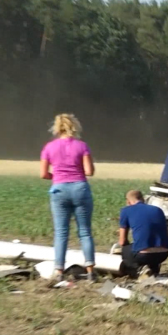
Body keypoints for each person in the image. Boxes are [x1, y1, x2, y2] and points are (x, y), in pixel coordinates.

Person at [40, 113, 96, 281]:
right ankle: (91, 270)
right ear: (74, 127)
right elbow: (89, 171)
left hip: (59, 190)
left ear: (57, 128)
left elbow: (43, 174)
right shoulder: (82, 146)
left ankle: (59, 271)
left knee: (61, 233)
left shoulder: (49, 147)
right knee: (85, 231)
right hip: (80, 188)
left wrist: (57, 177)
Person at [117, 189, 168, 277]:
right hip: (163, 254)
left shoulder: (126, 211)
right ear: (143, 199)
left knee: (125, 250)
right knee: (150, 246)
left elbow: (122, 241)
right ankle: (153, 270)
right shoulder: (158, 210)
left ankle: (139, 269)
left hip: (144, 255)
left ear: (128, 201)